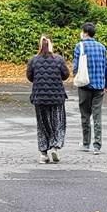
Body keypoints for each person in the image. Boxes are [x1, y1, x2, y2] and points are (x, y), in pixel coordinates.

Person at [26, 34, 70, 163]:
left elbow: (30, 77)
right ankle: (55, 147)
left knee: (42, 125)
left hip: (39, 97)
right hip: (56, 97)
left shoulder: (33, 60)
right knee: (57, 122)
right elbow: (65, 75)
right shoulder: (59, 59)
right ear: (52, 44)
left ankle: (43, 153)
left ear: (40, 45)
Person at [73, 21, 107, 154]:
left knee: (85, 115)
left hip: (84, 85)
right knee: (97, 115)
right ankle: (97, 145)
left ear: (86, 33)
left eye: (82, 31)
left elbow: (75, 66)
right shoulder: (102, 47)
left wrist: (76, 78)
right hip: (99, 86)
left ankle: (86, 143)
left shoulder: (80, 46)